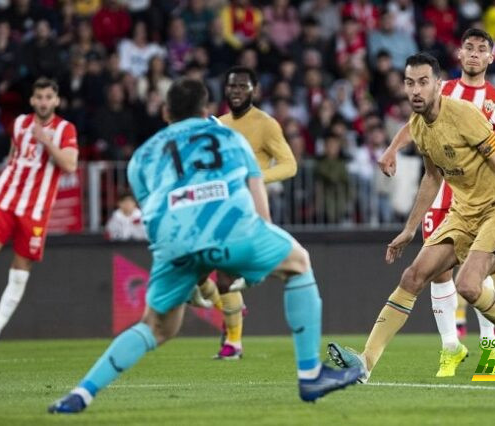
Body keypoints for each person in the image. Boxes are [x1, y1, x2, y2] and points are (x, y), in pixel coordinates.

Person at [48, 78, 362, 414]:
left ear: (166, 112)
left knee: (156, 326)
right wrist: (252, 258)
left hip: (174, 244)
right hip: (234, 230)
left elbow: (153, 217)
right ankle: (310, 373)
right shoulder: (229, 137)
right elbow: (257, 197)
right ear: (207, 110)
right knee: (298, 263)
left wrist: (192, 275)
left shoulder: (142, 156)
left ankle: (80, 394)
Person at [327, 53, 495, 384]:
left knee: (467, 284)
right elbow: (432, 178)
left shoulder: (464, 115)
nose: (415, 90)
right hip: (462, 212)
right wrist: (410, 228)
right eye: (410, 83)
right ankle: (365, 362)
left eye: (423, 82)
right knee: (413, 276)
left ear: (438, 85)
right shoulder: (417, 126)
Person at [192, 66, 297, 360]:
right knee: (197, 276)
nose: (236, 92)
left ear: (254, 90)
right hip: (219, 207)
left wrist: (254, 177)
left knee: (224, 279)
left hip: (247, 209)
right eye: (232, 87)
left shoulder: (266, 124)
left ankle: (233, 344)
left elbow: (290, 165)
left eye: (242, 87)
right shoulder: (219, 124)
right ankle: (233, 309)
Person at [0, 77, 78, 351]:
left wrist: (47, 143)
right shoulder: (18, 124)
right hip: (5, 200)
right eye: (38, 97)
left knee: (19, 271)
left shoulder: (64, 128)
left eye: (48, 97)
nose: (43, 102)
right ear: (31, 100)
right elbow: (14, 156)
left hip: (35, 211)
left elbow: (70, 165)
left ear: (56, 100)